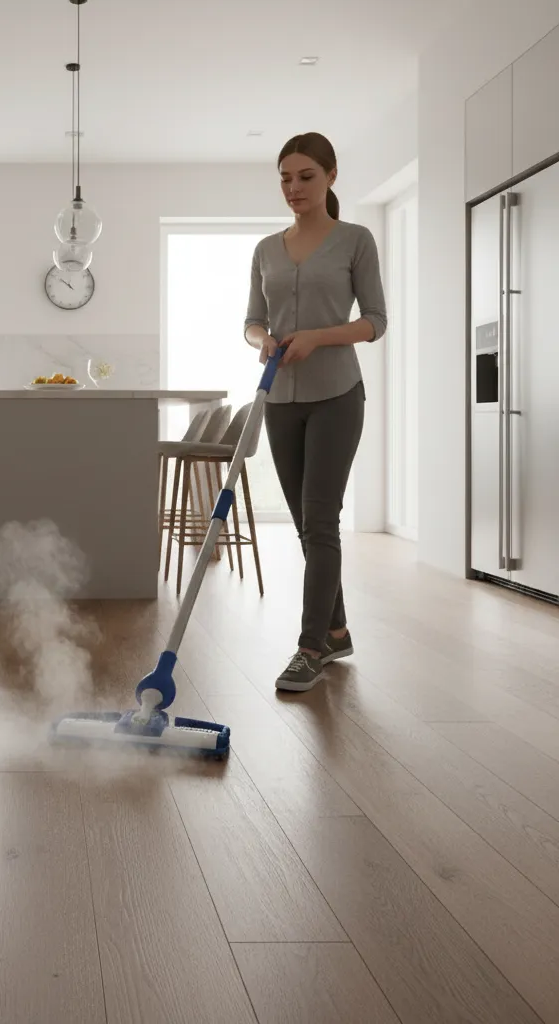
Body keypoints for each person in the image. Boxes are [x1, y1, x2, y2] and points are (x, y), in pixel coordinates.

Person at [244, 131, 387, 692]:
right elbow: (252, 319)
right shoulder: (265, 249)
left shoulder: (355, 240)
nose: (293, 187)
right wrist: (264, 338)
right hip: (280, 398)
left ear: (329, 178)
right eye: (285, 177)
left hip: (336, 396)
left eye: (305, 176)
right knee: (308, 526)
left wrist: (318, 338)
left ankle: (309, 648)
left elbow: (374, 321)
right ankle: (337, 630)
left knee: (321, 518)